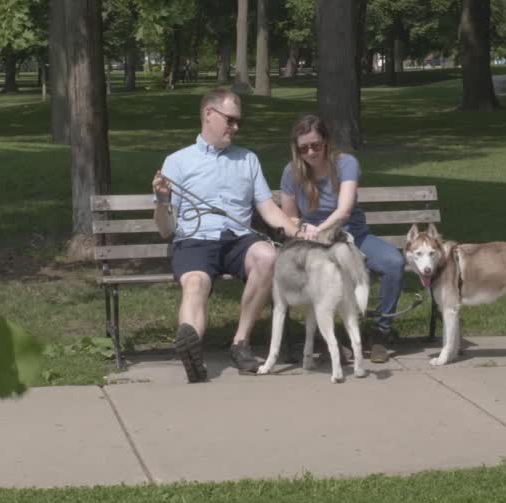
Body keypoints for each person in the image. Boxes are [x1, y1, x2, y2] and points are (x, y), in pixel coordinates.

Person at [152, 88, 304, 383]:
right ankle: (192, 348)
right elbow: (165, 230)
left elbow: (268, 210)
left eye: (238, 123)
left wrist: (298, 231)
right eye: (231, 120)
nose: (235, 127)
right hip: (195, 239)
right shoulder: (177, 162)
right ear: (209, 114)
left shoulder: (247, 159)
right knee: (195, 283)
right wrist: (161, 200)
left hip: (237, 239)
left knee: (267, 256)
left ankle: (240, 342)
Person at [280, 114, 406, 363]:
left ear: (326, 141)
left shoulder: (346, 163)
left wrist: (321, 228)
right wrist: (302, 231)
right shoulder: (291, 172)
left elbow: (344, 209)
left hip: (351, 234)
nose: (311, 152)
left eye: (315, 145)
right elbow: (289, 218)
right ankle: (327, 340)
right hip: (313, 243)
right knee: (314, 275)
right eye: (304, 148)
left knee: (394, 263)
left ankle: (380, 333)